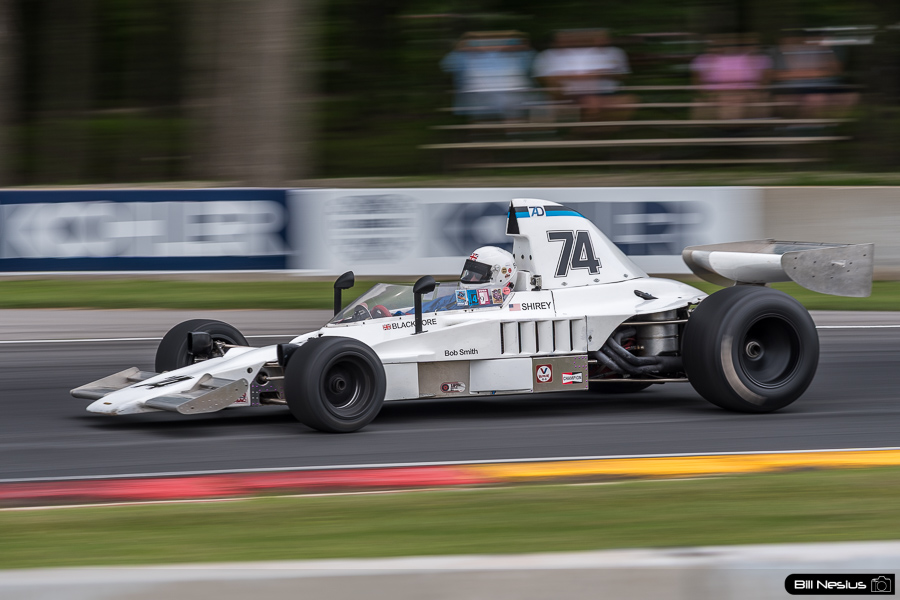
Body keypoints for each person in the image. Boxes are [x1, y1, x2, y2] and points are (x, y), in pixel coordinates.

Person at [533, 29, 635, 122]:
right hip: (569, 93)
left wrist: (601, 74)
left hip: (604, 92)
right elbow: (543, 78)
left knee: (594, 103)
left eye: (603, 37)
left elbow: (623, 74)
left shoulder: (616, 52)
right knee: (589, 103)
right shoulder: (546, 55)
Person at [441, 32, 535, 122]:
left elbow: (532, 63)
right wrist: (458, 49)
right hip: (477, 93)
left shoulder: (520, 54)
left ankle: (514, 137)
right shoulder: (461, 55)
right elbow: (447, 66)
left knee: (513, 117)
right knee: (482, 120)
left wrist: (524, 48)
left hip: (511, 93)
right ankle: (482, 136)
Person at [690, 34, 773, 121]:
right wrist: (713, 96)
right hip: (717, 97)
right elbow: (698, 86)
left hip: (745, 97)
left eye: (754, 44)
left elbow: (763, 84)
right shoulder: (701, 60)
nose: (715, 48)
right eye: (712, 45)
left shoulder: (759, 59)